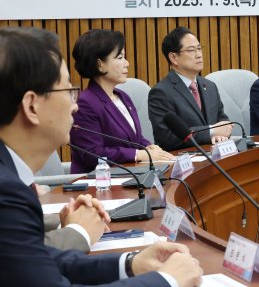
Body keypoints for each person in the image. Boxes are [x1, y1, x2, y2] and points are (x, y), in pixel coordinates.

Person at [0, 27, 203, 286]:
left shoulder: (11, 178)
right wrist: (166, 280)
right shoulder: (7, 192)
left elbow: (42, 259)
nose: (75, 104)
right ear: (32, 106)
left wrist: (129, 264)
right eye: (68, 91)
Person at [69, 29, 174, 173]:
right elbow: (92, 154)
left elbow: (134, 139)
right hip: (98, 180)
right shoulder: (84, 103)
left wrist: (148, 147)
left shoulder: (123, 97)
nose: (127, 63)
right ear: (100, 64)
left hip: (131, 173)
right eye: (120, 58)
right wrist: (138, 154)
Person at [149, 27, 232, 151]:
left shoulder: (210, 86)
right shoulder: (161, 93)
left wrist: (221, 134)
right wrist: (211, 131)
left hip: (213, 153)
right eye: (191, 50)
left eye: (199, 48)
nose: (199, 55)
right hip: (183, 158)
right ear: (173, 58)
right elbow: (167, 137)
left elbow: (222, 120)